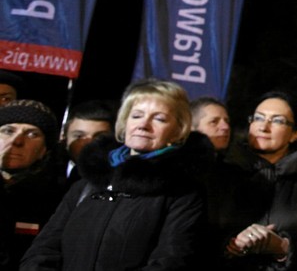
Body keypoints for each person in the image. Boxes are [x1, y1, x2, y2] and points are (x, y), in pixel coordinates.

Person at [21, 79, 207, 269]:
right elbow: (43, 249)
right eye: (136, 116)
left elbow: (171, 262)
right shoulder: (86, 184)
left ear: (178, 131)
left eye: (159, 119)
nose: (143, 125)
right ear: (124, 123)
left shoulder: (183, 194)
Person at [207, 91, 297, 269]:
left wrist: (283, 247)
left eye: (277, 121)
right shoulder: (221, 172)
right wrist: (232, 245)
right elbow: (192, 236)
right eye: (258, 118)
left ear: (295, 134)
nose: (264, 127)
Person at [0, 100, 65, 270]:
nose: (17, 141)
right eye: (8, 131)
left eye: (32, 134)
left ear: (44, 150)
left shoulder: (57, 201)